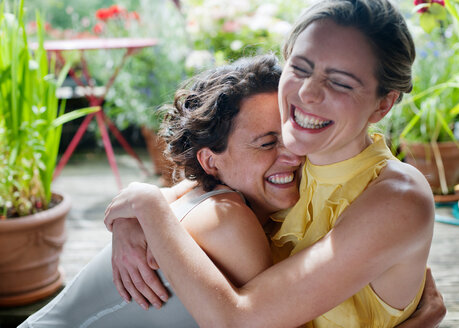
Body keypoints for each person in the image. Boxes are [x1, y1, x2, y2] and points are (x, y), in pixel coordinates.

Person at [104, 0, 447, 327]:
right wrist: (135, 213)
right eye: (299, 68)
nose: (308, 93)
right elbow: (193, 189)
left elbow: (238, 321)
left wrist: (146, 205)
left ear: (383, 105)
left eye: (340, 82)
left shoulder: (399, 198)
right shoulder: (295, 162)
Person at [19, 55, 303, 328]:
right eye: (267, 144)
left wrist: (139, 206)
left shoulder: (203, 192)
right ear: (210, 161)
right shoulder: (227, 219)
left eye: (292, 136)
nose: (292, 155)